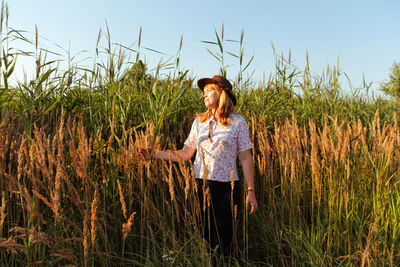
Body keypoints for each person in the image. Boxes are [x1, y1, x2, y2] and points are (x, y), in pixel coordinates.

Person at [140, 75, 258, 257]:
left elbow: (245, 157)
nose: (204, 95)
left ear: (222, 94)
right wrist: (155, 154)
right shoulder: (199, 123)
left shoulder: (238, 122)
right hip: (201, 186)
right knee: (206, 237)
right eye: (203, 92)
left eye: (209, 91)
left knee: (224, 241)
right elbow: (185, 154)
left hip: (227, 187)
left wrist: (251, 190)